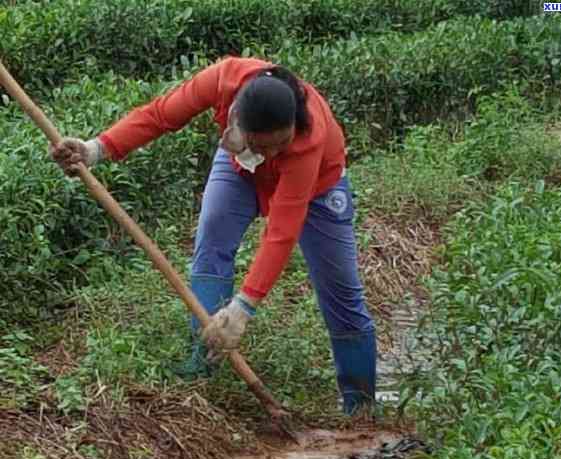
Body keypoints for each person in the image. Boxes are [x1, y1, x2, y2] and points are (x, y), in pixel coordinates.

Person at [51, 56, 377, 414]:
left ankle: (360, 409)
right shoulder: (224, 80)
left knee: (341, 292)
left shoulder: (306, 140)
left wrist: (244, 307)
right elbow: (161, 115)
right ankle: (201, 374)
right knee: (211, 241)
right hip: (239, 166)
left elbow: (281, 231)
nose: (272, 154)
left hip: (317, 188)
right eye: (265, 145)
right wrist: (96, 148)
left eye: (279, 144)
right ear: (238, 121)